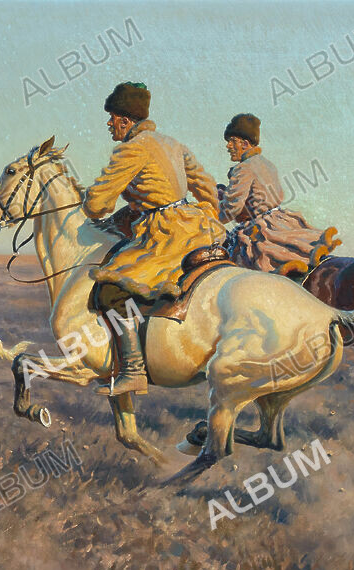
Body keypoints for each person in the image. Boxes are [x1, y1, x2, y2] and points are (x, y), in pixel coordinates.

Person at [82, 82, 225, 396]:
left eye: (112, 117)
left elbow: (96, 205)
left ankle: (132, 371)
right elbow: (207, 188)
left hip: (164, 236)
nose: (109, 124)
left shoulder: (131, 149)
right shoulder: (173, 143)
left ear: (126, 120)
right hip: (195, 227)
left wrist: (94, 201)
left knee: (110, 289)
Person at [218, 114, 340, 276]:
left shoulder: (243, 168)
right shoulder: (267, 164)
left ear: (245, 143)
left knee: (238, 270)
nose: (228, 146)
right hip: (280, 220)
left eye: (232, 141)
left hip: (261, 228)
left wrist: (209, 215)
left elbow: (232, 208)